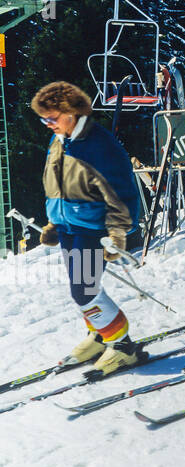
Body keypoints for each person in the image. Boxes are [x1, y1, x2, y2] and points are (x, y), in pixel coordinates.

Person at [32, 81, 143, 374]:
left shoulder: (99, 145)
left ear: (71, 113)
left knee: (84, 290)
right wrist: (55, 221)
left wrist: (118, 232)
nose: (47, 125)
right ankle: (98, 334)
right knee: (80, 287)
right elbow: (56, 183)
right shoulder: (59, 140)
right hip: (69, 226)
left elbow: (122, 192)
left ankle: (122, 345)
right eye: (43, 119)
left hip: (93, 228)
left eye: (51, 118)